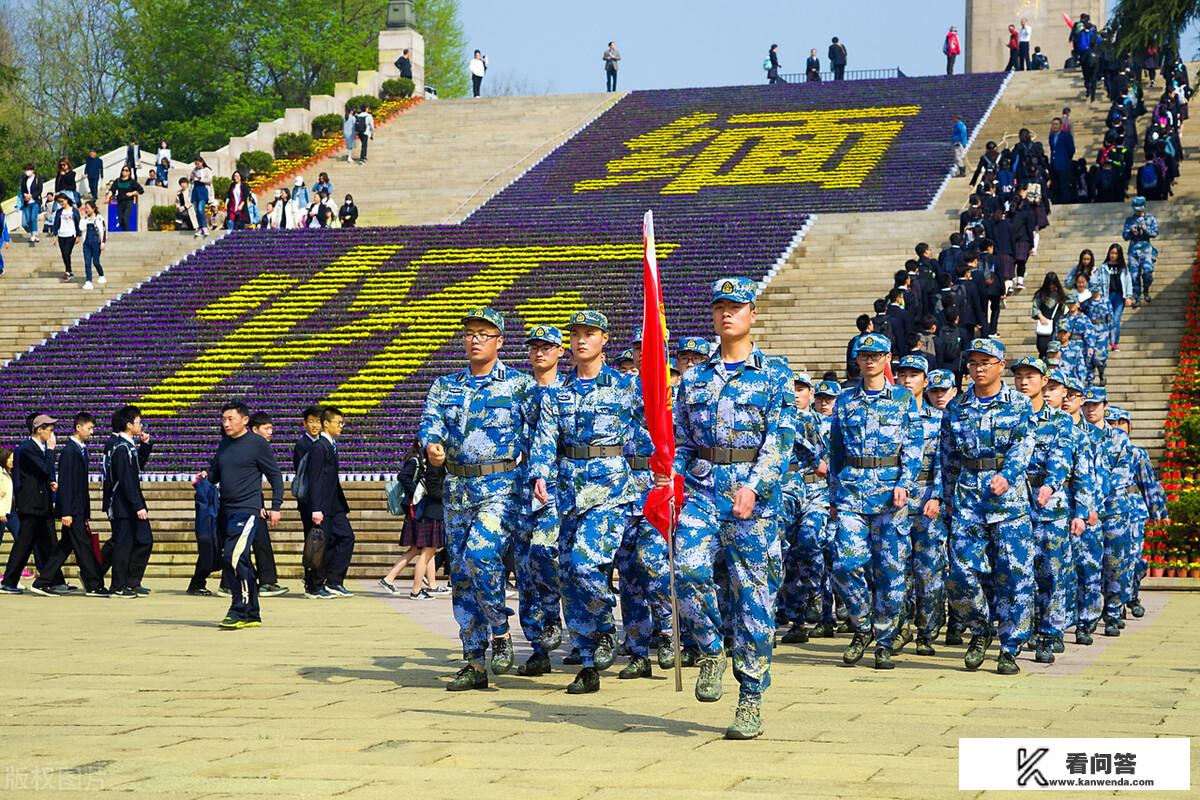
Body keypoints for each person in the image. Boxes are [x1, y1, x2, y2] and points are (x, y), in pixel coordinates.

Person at [670, 277, 794, 740]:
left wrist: (755, 486)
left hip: (752, 501)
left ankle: (750, 698)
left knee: (752, 599)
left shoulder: (775, 373)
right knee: (686, 569)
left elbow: (779, 442)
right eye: (720, 307)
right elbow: (682, 441)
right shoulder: (696, 377)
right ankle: (708, 648)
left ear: (752, 315)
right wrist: (672, 476)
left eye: (736, 307)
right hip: (703, 490)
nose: (727, 314)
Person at [530, 311, 651, 692]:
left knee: (584, 566)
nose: (582, 340)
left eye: (590, 334)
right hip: (569, 492)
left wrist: (661, 467)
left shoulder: (625, 386)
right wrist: (540, 473)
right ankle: (587, 661)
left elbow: (655, 425)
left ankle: (605, 630)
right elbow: (546, 439)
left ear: (605, 339)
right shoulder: (558, 393)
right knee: (569, 577)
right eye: (576, 334)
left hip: (611, 490)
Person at [418, 307, 536, 692]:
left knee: (480, 555)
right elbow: (430, 422)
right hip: (457, 488)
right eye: (469, 333)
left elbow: (540, 431)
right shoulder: (445, 385)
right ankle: (473, 660)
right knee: (463, 578)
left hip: (502, 486)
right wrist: (432, 444)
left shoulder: (519, 386)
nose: (475, 339)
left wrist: (538, 476)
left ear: (500, 341)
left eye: (484, 333)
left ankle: (500, 629)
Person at [940, 338, 1035, 675]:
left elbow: (1023, 447)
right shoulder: (957, 407)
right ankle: (980, 629)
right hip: (967, 496)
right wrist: (946, 498)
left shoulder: (1019, 404)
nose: (978, 369)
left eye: (985, 362)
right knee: (960, 572)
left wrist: (1007, 475)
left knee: (1014, 573)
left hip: (1007, 500)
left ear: (1000, 364)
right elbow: (948, 456)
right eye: (973, 363)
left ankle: (1010, 646)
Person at [829, 334, 923, 671]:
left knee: (890, 570)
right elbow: (836, 450)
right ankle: (862, 625)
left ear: (888, 358)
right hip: (852, 491)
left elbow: (914, 445)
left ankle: (884, 640)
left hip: (889, 495)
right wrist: (833, 497)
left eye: (876, 355)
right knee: (845, 564)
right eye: (864, 355)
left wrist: (905, 484)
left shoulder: (902, 398)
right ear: (857, 359)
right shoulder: (845, 400)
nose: (869, 361)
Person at [1011, 359, 1080, 665]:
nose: (1024, 382)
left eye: (1031, 377)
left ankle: (1049, 633)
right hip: (1014, 502)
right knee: (1016, 572)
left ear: (1044, 381)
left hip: (1049, 506)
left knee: (1051, 572)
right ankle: (1019, 631)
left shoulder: (1059, 421)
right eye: (1019, 377)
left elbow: (1062, 459)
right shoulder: (1009, 415)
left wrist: (1051, 485)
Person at [196, 403, 283, 629]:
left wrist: (275, 506)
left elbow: (275, 475)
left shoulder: (258, 444)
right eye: (223, 419)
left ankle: (238, 609)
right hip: (226, 509)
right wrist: (206, 475)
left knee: (232, 558)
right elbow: (216, 473)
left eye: (230, 419)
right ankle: (252, 612)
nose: (226, 423)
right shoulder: (224, 443)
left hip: (248, 510)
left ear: (245, 420)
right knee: (240, 560)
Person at [510, 325, 566, 675]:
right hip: (522, 490)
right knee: (526, 567)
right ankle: (537, 644)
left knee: (551, 556)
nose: (539, 353)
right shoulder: (520, 393)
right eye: (534, 347)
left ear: (561, 351)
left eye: (547, 347)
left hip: (563, 488)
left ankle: (565, 623)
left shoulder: (571, 391)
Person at [892, 355, 946, 656]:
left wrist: (937, 495)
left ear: (926, 381)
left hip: (927, 500)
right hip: (894, 501)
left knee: (928, 570)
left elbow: (944, 461)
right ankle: (900, 628)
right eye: (903, 374)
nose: (908, 379)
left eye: (915, 374)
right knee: (895, 568)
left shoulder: (938, 420)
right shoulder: (888, 413)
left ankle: (927, 632)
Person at [39, 413, 108, 596]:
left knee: (64, 547)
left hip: (79, 508)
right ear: (78, 427)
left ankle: (42, 580)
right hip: (73, 509)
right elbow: (67, 484)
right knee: (83, 546)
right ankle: (93, 584)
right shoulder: (70, 451)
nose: (91, 432)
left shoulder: (81, 449)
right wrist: (67, 512)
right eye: (89, 428)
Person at [0, 415, 62, 595]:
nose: (52, 433)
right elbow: (44, 468)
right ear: (39, 429)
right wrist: (50, 451)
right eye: (49, 429)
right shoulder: (26, 449)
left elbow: (46, 473)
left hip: (41, 504)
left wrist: (51, 482)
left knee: (48, 542)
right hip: (31, 504)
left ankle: (53, 580)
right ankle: (10, 581)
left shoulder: (39, 448)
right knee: (25, 544)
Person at [379, 439, 447, 599]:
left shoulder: (431, 464)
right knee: (423, 551)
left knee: (426, 550)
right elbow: (432, 490)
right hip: (425, 512)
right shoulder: (422, 463)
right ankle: (415, 590)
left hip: (429, 511)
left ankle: (431, 585)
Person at [101, 405, 154, 597]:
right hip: (123, 505)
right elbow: (126, 480)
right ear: (128, 424)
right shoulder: (120, 447)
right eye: (138, 422)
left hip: (128, 503)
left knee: (143, 540)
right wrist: (137, 505)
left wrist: (145, 446)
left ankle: (131, 581)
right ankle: (118, 586)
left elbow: (136, 466)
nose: (141, 425)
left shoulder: (127, 445)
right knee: (123, 545)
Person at [305, 407, 356, 598]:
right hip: (323, 507)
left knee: (346, 537)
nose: (341, 426)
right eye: (338, 422)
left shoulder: (330, 445)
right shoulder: (319, 447)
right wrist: (316, 508)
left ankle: (334, 580)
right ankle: (315, 586)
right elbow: (315, 479)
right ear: (326, 423)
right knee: (320, 544)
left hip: (334, 505)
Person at [293, 405, 331, 599]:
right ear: (304, 423)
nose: (314, 425)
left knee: (316, 541)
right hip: (310, 501)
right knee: (314, 541)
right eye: (311, 421)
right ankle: (313, 583)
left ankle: (315, 581)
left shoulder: (321, 443)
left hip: (317, 500)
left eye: (318, 421)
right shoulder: (303, 445)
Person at [1122, 196, 1159, 305]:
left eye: (1140, 209)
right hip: (1133, 250)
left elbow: (1155, 233)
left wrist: (1145, 229)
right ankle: (1137, 297)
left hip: (1146, 249)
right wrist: (1130, 231)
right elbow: (1124, 236)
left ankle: (1146, 290)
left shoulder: (1150, 218)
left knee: (1148, 273)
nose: (1138, 211)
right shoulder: (1129, 220)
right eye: (1136, 209)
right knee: (1134, 275)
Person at [1102, 243, 1133, 350]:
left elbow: (1128, 281)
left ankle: (1114, 343)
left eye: (1115, 253)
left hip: (1120, 296)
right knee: (1108, 319)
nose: (1113, 255)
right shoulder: (1104, 267)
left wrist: (1128, 296)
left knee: (1116, 320)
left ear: (1119, 255)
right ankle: (1106, 341)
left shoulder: (1123, 267)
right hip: (1108, 296)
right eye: (1111, 253)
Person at [1030, 271, 1066, 358]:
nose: (1052, 287)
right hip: (1045, 325)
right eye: (1050, 284)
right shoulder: (1040, 295)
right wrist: (1040, 316)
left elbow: (1065, 309)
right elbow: (1035, 307)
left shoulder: (1060, 295)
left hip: (1057, 325)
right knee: (1042, 347)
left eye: (1053, 284)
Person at [52, 194, 81, 283]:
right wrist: (55, 235)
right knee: (64, 254)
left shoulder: (74, 210)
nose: (61, 203)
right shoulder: (59, 212)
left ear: (66, 200)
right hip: (61, 235)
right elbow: (56, 224)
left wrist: (78, 235)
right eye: (59, 202)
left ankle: (67, 271)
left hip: (71, 234)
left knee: (66, 252)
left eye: (62, 201)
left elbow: (78, 223)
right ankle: (69, 270)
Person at [80, 200, 107, 290]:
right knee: (87, 262)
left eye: (87, 208)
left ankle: (101, 274)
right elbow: (81, 228)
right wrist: (84, 218)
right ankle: (88, 281)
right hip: (86, 243)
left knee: (96, 261)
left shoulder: (99, 218)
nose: (86, 210)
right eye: (85, 208)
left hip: (96, 242)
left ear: (93, 208)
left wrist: (103, 242)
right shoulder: (84, 219)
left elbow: (103, 231)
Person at [1048, 117, 1075, 205]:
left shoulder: (1066, 136)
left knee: (1064, 185)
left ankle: (1065, 202)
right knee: (1055, 185)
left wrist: (1066, 159)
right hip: (1054, 164)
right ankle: (1057, 201)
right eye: (1053, 124)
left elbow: (1071, 149)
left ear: (1060, 125)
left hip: (1064, 164)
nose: (1054, 126)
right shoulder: (1051, 136)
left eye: (1056, 124)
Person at [18, 164, 44, 244]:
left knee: (33, 218)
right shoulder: (24, 179)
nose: (27, 172)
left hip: (35, 201)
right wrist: (25, 195)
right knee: (25, 223)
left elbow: (39, 190)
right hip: (26, 203)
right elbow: (22, 190)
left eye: (28, 170)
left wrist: (31, 195)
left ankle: (35, 235)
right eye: (26, 170)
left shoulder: (37, 179)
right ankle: (33, 233)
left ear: (32, 170)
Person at [188, 158, 213, 238]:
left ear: (202, 163)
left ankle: (204, 226)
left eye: (198, 163)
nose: (197, 165)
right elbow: (191, 181)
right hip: (195, 191)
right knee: (196, 210)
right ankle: (200, 227)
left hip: (203, 190)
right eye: (195, 164)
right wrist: (191, 178)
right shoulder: (194, 170)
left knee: (200, 209)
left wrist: (199, 178)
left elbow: (209, 180)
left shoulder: (207, 170)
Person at [0, 448, 12, 549]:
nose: (12, 461)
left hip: (12, 512)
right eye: (10, 458)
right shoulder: (0, 473)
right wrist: (1, 513)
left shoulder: (10, 473)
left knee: (20, 537)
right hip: (2, 513)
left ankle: (19, 563)